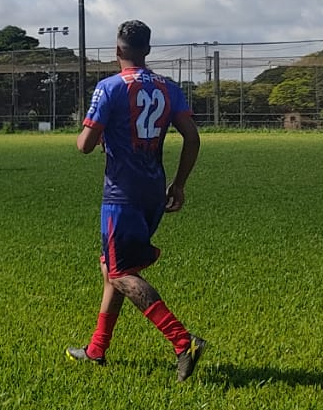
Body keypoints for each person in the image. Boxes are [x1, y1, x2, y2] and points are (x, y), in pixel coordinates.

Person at [66, 20, 206, 382]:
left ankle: (182, 340)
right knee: (110, 266)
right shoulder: (168, 87)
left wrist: (93, 134)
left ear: (117, 51)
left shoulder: (109, 87)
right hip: (153, 191)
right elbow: (192, 138)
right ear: (147, 50)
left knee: (120, 272)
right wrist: (179, 184)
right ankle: (97, 349)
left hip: (121, 195)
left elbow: (84, 145)